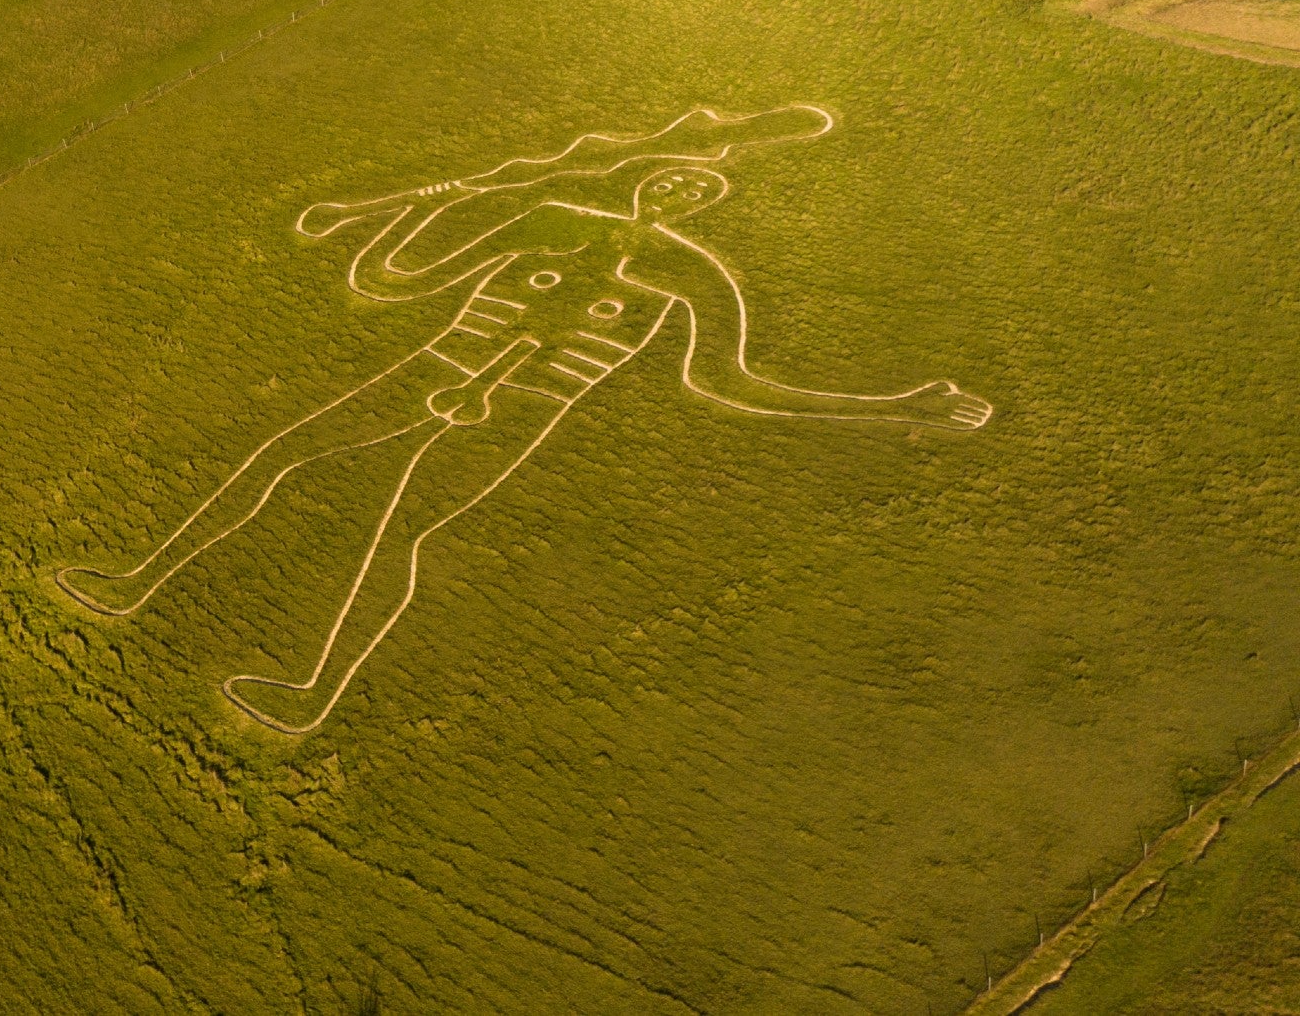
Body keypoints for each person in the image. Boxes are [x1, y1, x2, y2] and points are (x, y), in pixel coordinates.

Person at [55, 105, 991, 734]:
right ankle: (136, 580)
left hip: (519, 410)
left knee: (401, 534)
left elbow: (733, 382)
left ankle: (308, 695)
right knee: (286, 454)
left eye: (693, 195)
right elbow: (399, 283)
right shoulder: (550, 217)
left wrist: (892, 407)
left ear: (700, 207)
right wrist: (386, 221)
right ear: (642, 184)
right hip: (439, 366)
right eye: (669, 183)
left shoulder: (691, 276)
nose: (675, 196)